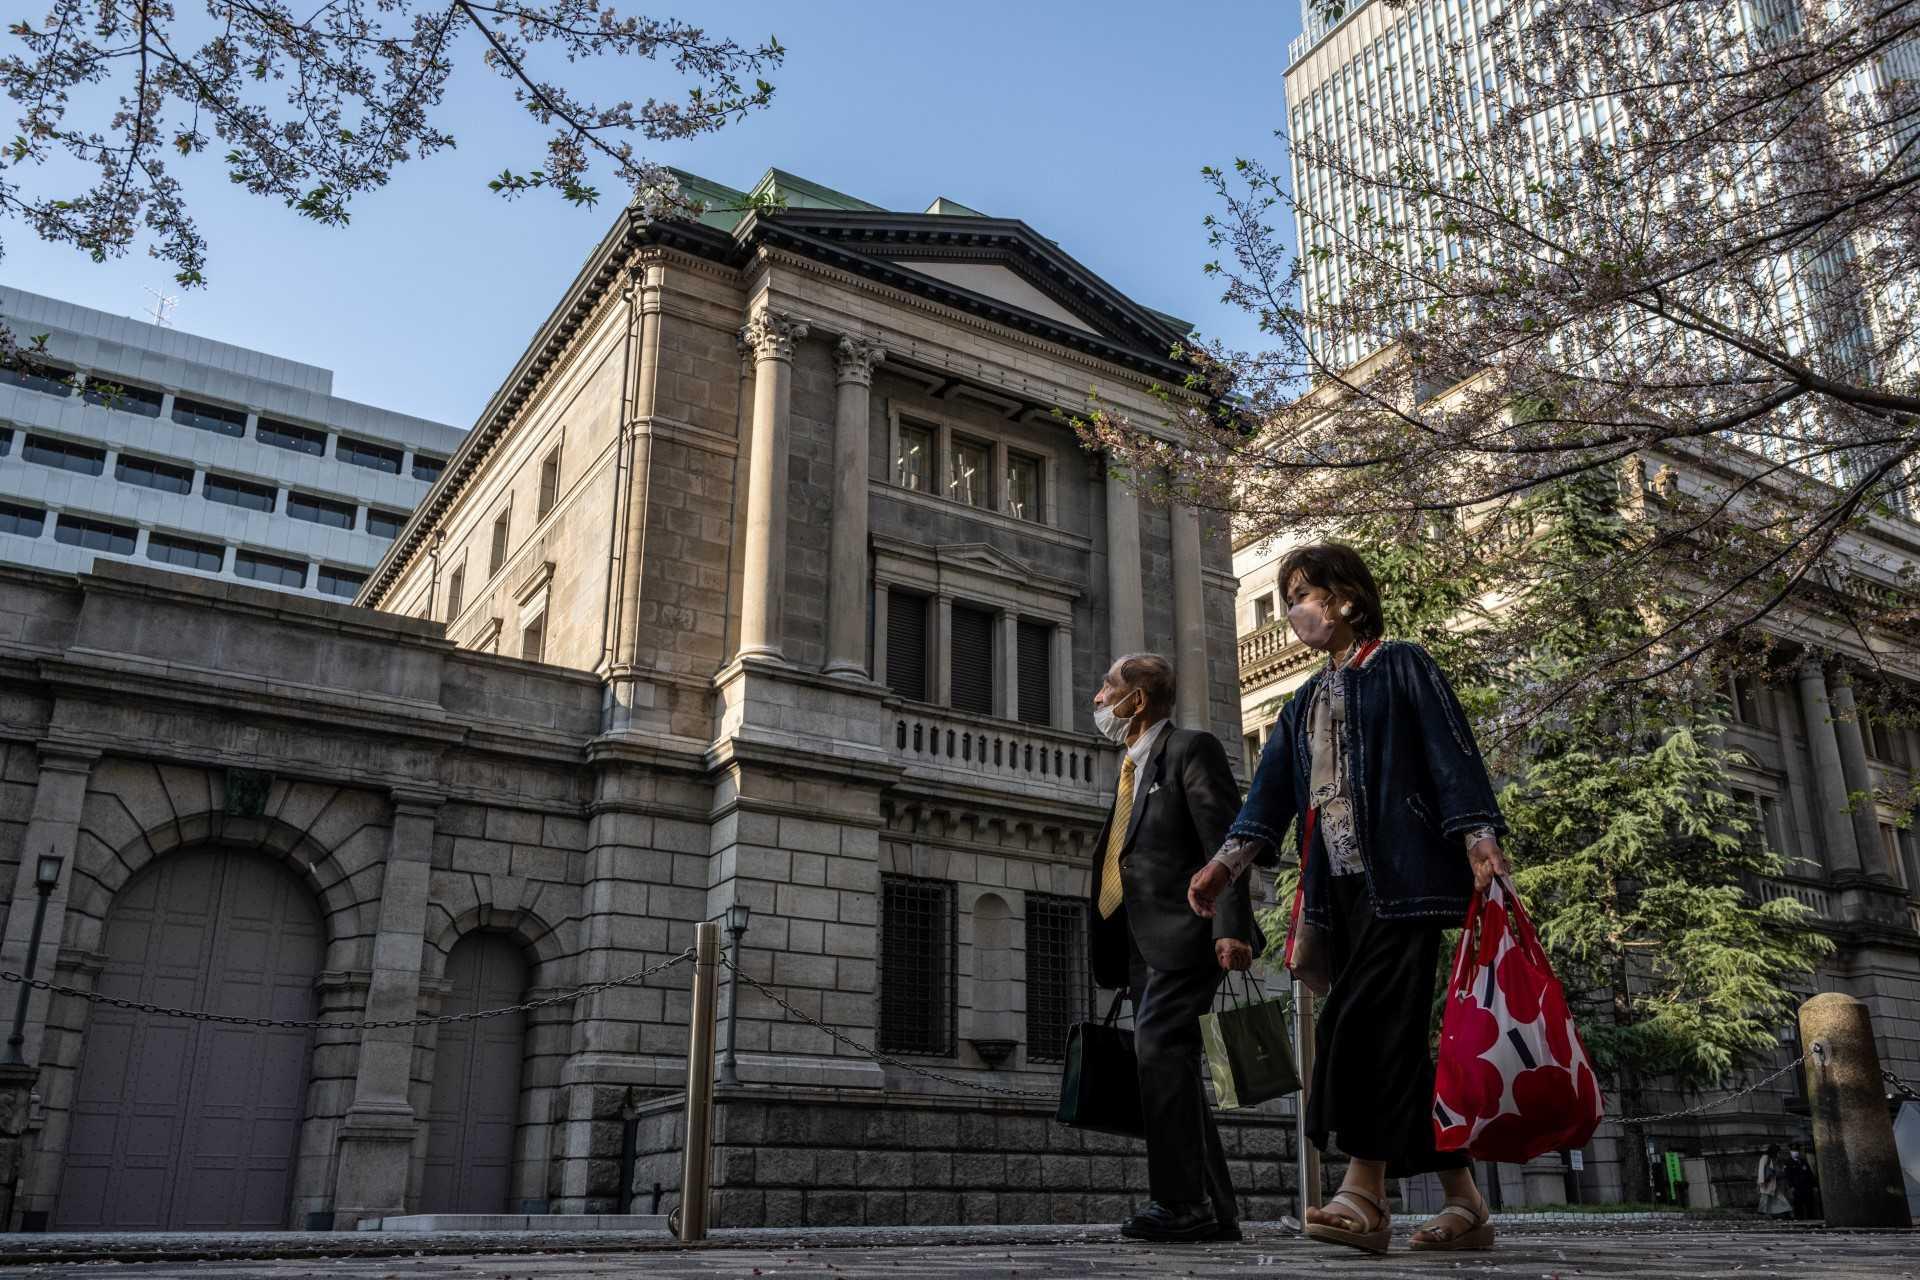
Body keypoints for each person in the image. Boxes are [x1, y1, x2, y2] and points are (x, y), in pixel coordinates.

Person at [1188, 543, 1508, 1255]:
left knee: (1356, 1027)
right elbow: (1268, 797)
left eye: (1304, 593)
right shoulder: (1302, 703)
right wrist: (1224, 867)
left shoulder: (1401, 664)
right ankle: (1467, 1205)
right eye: (1291, 594)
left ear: (1346, 600)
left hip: (1409, 883)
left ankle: (1364, 1193)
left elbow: (1451, 754)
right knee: (1394, 1045)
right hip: (1339, 894)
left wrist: (1478, 837)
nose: (1296, 609)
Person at [1086, 652, 1264, 1244]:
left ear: (1136, 700)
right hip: (1138, 941)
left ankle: (1180, 1203)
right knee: (1174, 1062)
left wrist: (1230, 927)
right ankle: (1214, 1209)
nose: (1097, 699)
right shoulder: (1130, 768)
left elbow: (1227, 839)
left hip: (1188, 932)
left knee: (1159, 1047)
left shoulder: (1191, 749)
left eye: (1106, 688)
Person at [1757, 1144, 1794, 1218]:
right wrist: (1761, 1182)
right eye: (1778, 1152)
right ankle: (1786, 1212)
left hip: (1772, 1182)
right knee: (1766, 1199)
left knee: (1775, 1198)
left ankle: (1786, 1211)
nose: (1778, 1153)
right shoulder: (1765, 1157)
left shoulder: (1774, 1158)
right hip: (1767, 1182)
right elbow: (1761, 1170)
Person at [1785, 1144, 1818, 1220]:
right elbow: (1788, 1176)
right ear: (1790, 1152)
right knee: (1798, 1204)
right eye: (1793, 1151)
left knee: (1809, 1203)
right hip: (1797, 1187)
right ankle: (1799, 1219)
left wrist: (1814, 1185)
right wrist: (1791, 1186)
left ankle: (1811, 1218)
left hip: (1807, 1186)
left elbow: (1809, 1174)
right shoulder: (1788, 1162)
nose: (1795, 1152)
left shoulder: (1803, 1161)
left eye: (1796, 1151)